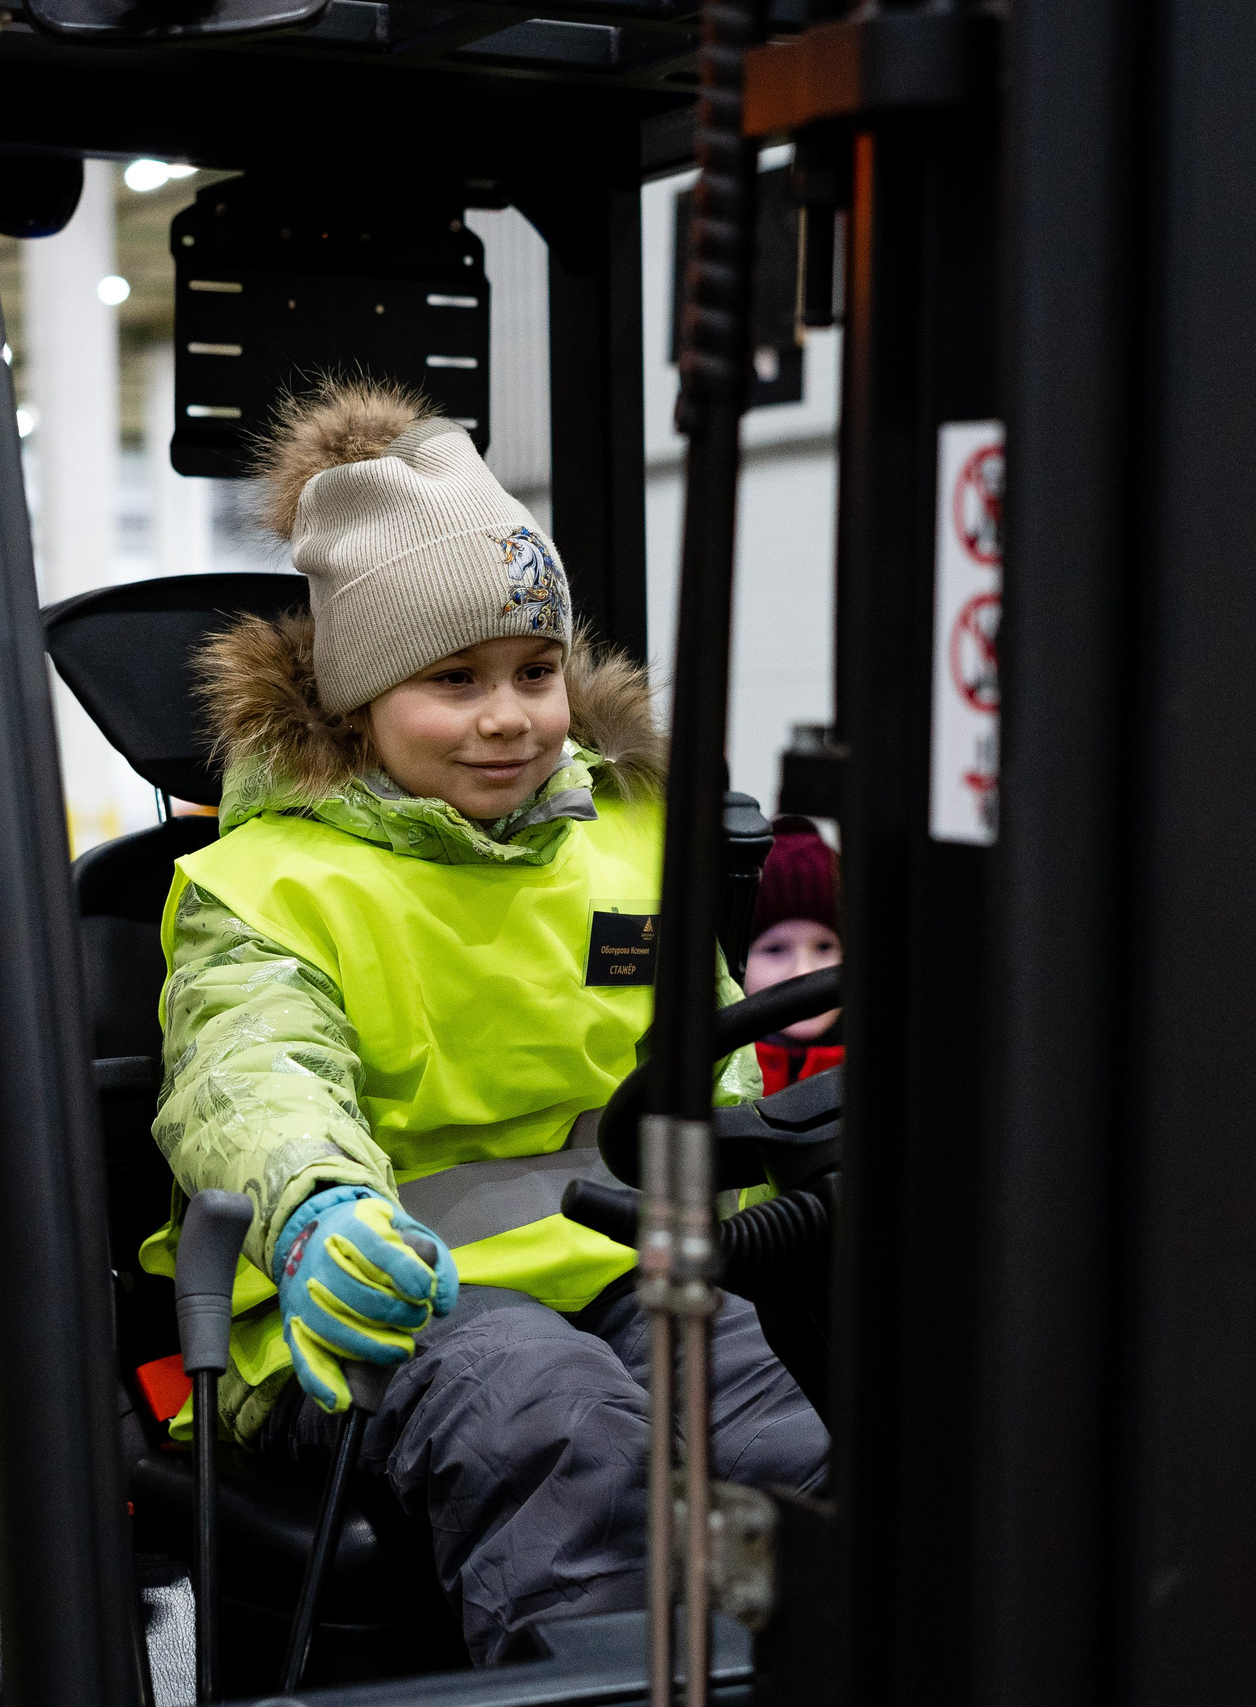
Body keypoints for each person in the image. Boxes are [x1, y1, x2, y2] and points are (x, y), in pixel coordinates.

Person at [150, 380, 828, 1661]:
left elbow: (720, 1057)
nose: (508, 715)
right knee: (558, 1423)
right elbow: (251, 1077)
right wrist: (313, 1211)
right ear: (356, 701)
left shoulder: (629, 835)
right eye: (452, 680)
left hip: (633, 1271)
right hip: (382, 1306)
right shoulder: (263, 888)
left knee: (790, 1416)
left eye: (533, 670)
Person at [742, 816, 841, 1094]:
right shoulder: (710, 1077)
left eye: (825, 947)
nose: (803, 971)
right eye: (775, 949)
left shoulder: (887, 1069)